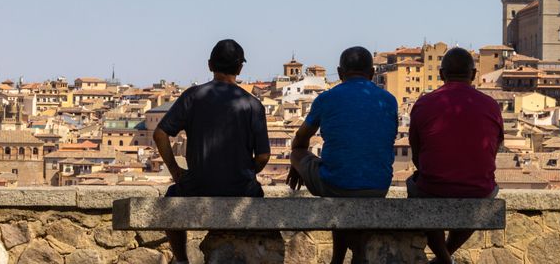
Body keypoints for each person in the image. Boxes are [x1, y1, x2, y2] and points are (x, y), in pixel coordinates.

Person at [153, 39, 271, 264]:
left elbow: (160, 134)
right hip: (241, 188)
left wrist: (176, 171)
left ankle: (181, 260)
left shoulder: (193, 96)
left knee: (171, 200)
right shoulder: (253, 105)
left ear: (209, 65)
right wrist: (246, 171)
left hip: (198, 185)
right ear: (240, 68)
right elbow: (264, 156)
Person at [287, 46, 398, 264]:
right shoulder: (389, 100)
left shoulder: (327, 98)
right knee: (343, 178)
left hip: (336, 184)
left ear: (339, 73)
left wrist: (296, 164)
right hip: (378, 186)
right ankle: (347, 256)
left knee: (312, 162)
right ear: (372, 72)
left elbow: (300, 139)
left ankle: (338, 258)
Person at [407, 47, 503, 264]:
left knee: (416, 190)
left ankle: (443, 258)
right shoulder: (491, 105)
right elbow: (494, 148)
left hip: (432, 189)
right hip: (478, 190)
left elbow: (416, 154)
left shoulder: (424, 103)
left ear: (442, 74)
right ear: (474, 74)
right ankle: (445, 257)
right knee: (484, 193)